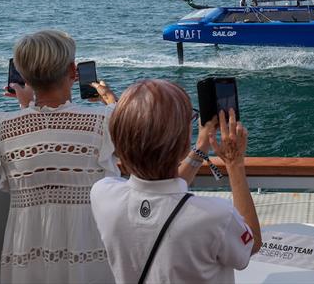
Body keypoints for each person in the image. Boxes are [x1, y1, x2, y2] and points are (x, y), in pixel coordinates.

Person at [90, 79, 261, 284]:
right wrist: (234, 164)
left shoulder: (102, 194)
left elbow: (159, 190)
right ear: (181, 147)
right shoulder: (217, 217)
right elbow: (251, 245)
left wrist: (201, 146)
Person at [0, 30, 118, 283]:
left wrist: (25, 109)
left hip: (27, 251)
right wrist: (110, 100)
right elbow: (133, 134)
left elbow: (41, 139)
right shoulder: (103, 121)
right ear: (73, 71)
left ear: (23, 75)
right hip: (86, 250)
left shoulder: (3, 127)